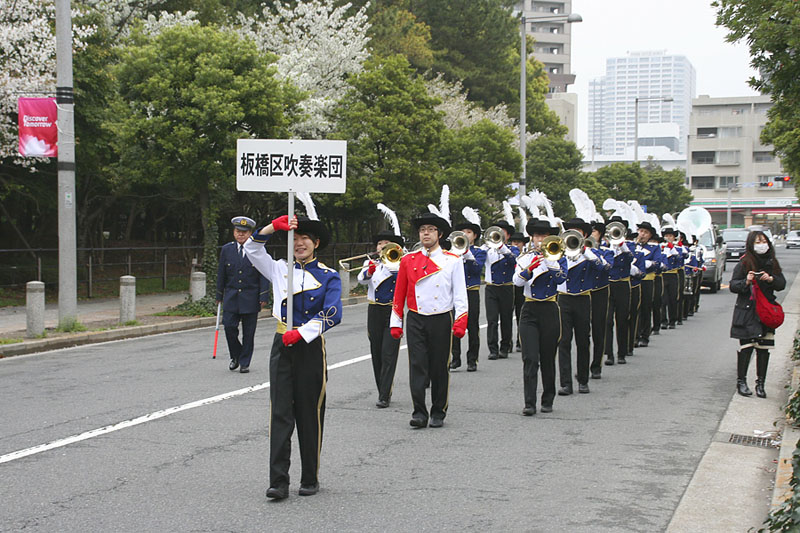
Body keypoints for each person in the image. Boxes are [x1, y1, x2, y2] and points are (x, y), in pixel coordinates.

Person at [245, 214, 342, 500]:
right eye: (295, 239)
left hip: (310, 347)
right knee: (280, 413)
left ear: (316, 244)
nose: (299, 244)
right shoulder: (278, 269)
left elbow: (334, 313)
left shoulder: (328, 276)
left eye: (305, 240)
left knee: (309, 413)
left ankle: (310, 477)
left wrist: (303, 333)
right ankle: (278, 481)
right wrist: (272, 227)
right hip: (281, 344)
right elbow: (251, 249)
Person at [390, 212, 468, 428]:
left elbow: (460, 294)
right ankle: (419, 412)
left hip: (441, 318)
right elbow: (399, 294)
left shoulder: (452, 260)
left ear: (439, 234)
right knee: (417, 366)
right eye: (423, 230)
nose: (426, 233)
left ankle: (438, 411)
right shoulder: (408, 260)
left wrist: (461, 321)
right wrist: (396, 322)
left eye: (430, 230)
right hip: (416, 317)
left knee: (439, 367)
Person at [514, 218, 567, 415]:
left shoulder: (559, 257)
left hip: (550, 309)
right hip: (530, 310)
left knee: (547, 357)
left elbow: (562, 279)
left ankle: (548, 399)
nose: (541, 239)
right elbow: (517, 283)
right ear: (532, 238)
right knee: (530, 357)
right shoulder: (524, 258)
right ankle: (529, 403)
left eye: (544, 236)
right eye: (537, 236)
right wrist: (530, 268)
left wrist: (550, 262)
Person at [729, 230, 785, 398]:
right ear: (751, 245)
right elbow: (733, 285)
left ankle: (761, 384)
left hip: (765, 311)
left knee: (763, 348)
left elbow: (781, 283)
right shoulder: (744, 263)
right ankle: (742, 382)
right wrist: (746, 281)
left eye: (763, 241)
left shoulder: (772, 262)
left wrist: (771, 279)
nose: (762, 245)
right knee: (746, 347)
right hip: (747, 311)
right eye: (757, 242)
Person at [215, 216, 270, 373]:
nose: (241, 235)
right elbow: (221, 274)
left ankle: (245, 362)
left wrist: (263, 296)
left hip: (250, 297)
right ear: (234, 232)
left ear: (250, 234)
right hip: (231, 296)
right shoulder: (227, 249)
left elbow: (264, 273)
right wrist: (219, 295)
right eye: (238, 231)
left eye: (244, 233)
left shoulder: (258, 250)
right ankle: (236, 355)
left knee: (249, 333)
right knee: (229, 327)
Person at [358, 228, 404, 408]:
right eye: (379, 244)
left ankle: (385, 394)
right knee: (376, 352)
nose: (382, 246)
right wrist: (369, 271)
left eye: (386, 244)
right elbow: (361, 280)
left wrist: (391, 267)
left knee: (389, 353)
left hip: (394, 310)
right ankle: (382, 389)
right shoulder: (370, 262)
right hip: (374, 310)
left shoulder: (401, 261)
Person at [556, 217, 597, 395]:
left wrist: (586, 251)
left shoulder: (590, 254)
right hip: (563, 299)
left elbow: (604, 268)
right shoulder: (558, 253)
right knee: (563, 341)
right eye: (570, 230)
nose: (573, 234)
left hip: (582, 299)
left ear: (584, 234)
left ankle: (583, 379)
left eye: (577, 231)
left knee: (582, 340)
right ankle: (566, 383)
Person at [450, 211, 487, 372]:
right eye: (463, 232)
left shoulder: (479, 252)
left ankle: (472, 359)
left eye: (469, 232)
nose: (465, 235)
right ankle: (455, 358)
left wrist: (467, 254)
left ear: (474, 236)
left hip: (471, 291)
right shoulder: (452, 252)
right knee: (454, 325)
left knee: (472, 326)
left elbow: (477, 269)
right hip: (455, 293)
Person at [483, 221, 518, 360]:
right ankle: (493, 349)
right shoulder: (486, 249)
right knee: (492, 319)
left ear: (508, 235)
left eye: (502, 232)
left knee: (506, 318)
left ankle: (505, 346)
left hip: (507, 287)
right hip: (491, 288)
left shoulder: (513, 250)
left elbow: (514, 261)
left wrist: (502, 248)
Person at [604, 216, 634, 366]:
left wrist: (621, 245)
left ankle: (622, 352)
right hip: (608, 286)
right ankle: (608, 353)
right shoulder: (604, 246)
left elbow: (630, 258)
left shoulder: (628, 246)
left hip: (622, 285)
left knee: (622, 319)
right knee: (607, 320)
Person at [589, 221, 613, 379]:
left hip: (600, 291)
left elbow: (607, 267)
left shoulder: (606, 251)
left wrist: (591, 252)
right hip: (580, 293)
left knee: (599, 328)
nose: (591, 235)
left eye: (594, 232)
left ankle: (597, 364)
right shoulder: (574, 249)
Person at [635, 221, 661, 348]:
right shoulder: (632, 245)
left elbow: (656, 263)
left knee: (645, 308)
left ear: (650, 235)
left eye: (645, 232)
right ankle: (634, 335)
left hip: (647, 280)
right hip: (634, 280)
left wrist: (644, 263)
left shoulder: (654, 248)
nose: (642, 234)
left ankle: (645, 335)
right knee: (634, 309)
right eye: (640, 231)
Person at [509, 231, 530, 353]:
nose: (515, 244)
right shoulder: (509, 252)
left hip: (522, 287)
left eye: (518, 242)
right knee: (507, 315)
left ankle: (520, 340)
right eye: (513, 242)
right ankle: (508, 342)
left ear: (523, 244)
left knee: (520, 314)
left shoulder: (526, 256)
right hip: (509, 286)